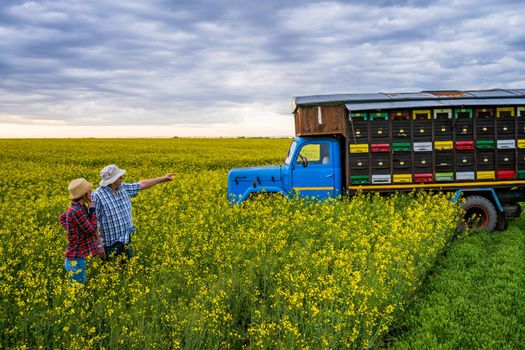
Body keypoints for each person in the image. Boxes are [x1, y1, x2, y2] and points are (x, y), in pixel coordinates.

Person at [92, 164, 173, 261]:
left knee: (126, 271)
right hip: (110, 245)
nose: (122, 178)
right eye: (119, 177)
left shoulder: (123, 188)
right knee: (110, 272)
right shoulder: (97, 196)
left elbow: (141, 184)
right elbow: (93, 223)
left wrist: (163, 179)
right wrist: (98, 245)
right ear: (112, 180)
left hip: (126, 240)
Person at [59, 178, 105, 284]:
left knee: (77, 292)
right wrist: (92, 208)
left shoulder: (79, 208)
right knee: (77, 294)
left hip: (76, 259)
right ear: (84, 194)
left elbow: (62, 219)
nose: (91, 192)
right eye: (89, 190)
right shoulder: (76, 211)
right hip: (75, 260)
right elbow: (92, 229)